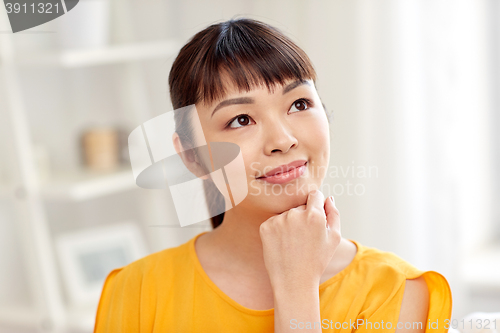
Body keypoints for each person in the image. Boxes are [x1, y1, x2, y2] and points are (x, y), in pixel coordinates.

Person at [93, 17, 452, 333]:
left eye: (299, 104)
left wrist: (296, 288)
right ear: (192, 157)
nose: (283, 140)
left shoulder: (395, 291)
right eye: (241, 120)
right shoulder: (137, 292)